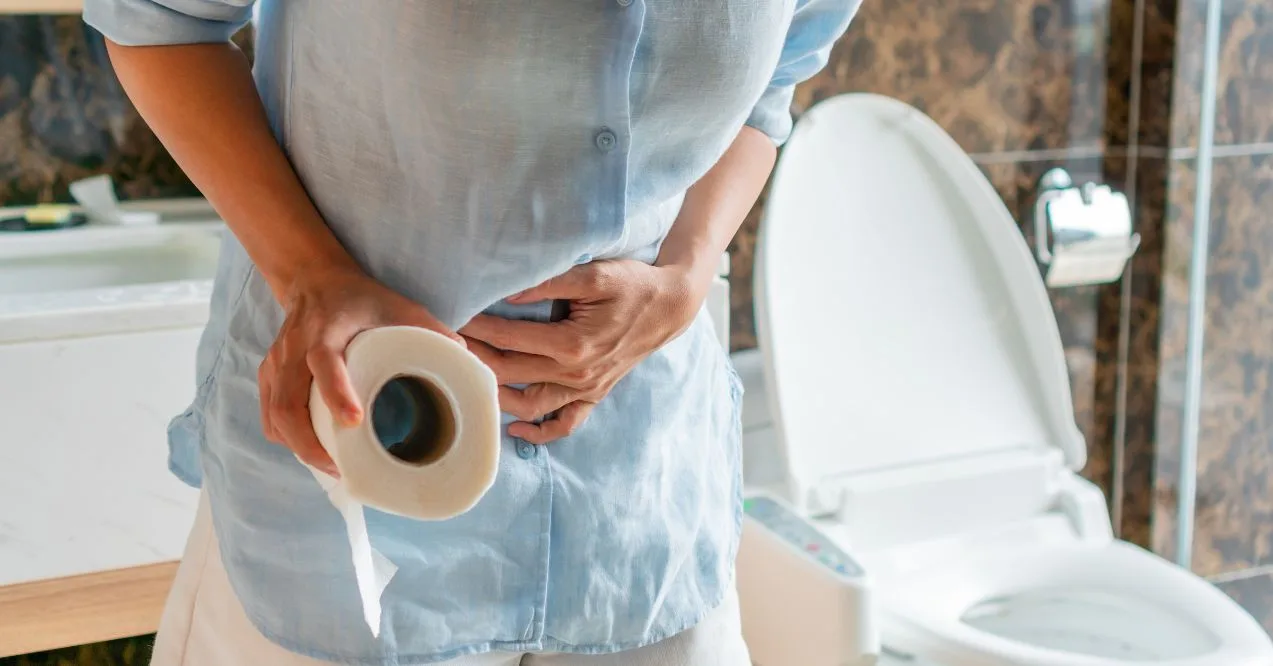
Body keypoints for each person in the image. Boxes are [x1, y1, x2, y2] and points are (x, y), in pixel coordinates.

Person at [83, 1, 859, 664]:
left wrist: (687, 273)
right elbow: (156, 23)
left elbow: (777, 76)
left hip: (636, 496)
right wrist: (311, 273)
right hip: (352, 491)